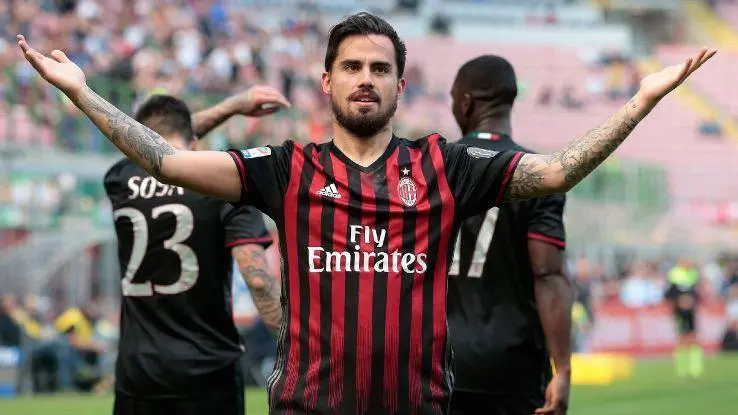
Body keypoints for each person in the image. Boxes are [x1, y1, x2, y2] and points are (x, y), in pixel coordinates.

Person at [17, 12, 715, 414]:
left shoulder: (446, 165)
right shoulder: (286, 168)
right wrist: (81, 91)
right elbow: (168, 161)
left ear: (400, 86)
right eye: (352, 67)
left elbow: (559, 170)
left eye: (380, 69)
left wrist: (641, 100)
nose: (365, 80)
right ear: (327, 82)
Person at [101, 92, 283, 414]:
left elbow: (148, 143)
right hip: (208, 374)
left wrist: (230, 106)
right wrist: (296, 345)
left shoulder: (119, 179)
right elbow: (258, 282)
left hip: (137, 373)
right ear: (196, 144)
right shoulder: (225, 188)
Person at [446, 55, 571, 415]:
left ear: (465, 102)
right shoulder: (539, 174)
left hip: (437, 361)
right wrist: (563, 368)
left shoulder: (431, 166)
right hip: (514, 367)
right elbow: (548, 274)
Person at [665, 258, 703, 379]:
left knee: (693, 337)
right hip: (680, 312)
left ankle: (695, 368)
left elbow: (695, 292)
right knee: (681, 338)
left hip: (690, 311)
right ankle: (682, 368)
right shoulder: (674, 274)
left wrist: (691, 302)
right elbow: (670, 294)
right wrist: (679, 303)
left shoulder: (693, 274)